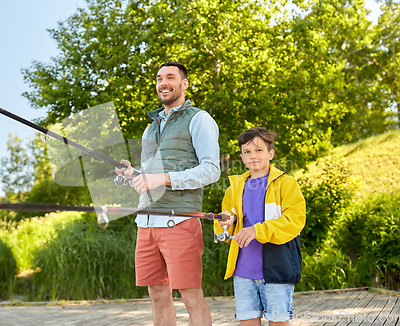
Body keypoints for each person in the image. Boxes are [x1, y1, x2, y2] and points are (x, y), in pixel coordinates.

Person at [115, 62, 220, 326]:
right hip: (146, 223)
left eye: (170, 77)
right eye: (159, 78)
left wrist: (161, 178)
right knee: (157, 296)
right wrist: (132, 175)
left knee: (190, 296)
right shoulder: (149, 129)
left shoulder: (199, 119)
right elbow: (148, 179)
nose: (163, 82)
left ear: (184, 84)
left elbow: (211, 170)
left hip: (180, 220)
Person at [215, 127, 306, 326]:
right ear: (241, 156)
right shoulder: (234, 188)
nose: (252, 156)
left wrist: (257, 230)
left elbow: (294, 220)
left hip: (277, 269)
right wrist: (226, 222)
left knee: (278, 323)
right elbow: (224, 221)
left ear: (270, 154)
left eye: (258, 150)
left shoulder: (286, 184)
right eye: (247, 152)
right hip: (243, 272)